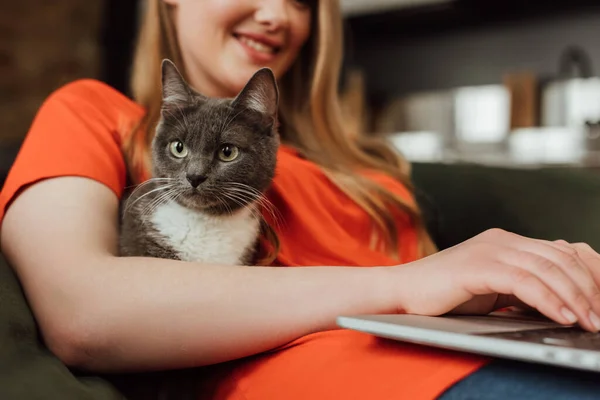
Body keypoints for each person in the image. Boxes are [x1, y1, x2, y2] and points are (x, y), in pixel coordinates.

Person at [1, 0, 600, 398]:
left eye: (301, 0)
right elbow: (81, 313)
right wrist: (402, 283)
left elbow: (436, 301)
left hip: (479, 362)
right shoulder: (96, 113)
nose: (276, 14)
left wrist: (522, 286)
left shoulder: (372, 170)